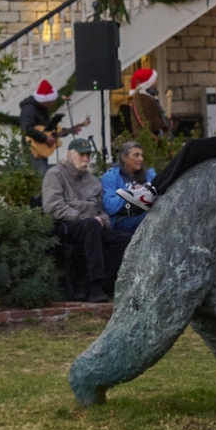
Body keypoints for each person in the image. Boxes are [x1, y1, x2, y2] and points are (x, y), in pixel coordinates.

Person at [42, 138, 130, 303]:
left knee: (125, 240)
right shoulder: (55, 174)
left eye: (88, 155)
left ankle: (86, 281)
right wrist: (84, 216)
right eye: (82, 155)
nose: (86, 159)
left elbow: (101, 211)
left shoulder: (93, 181)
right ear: (69, 155)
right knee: (91, 225)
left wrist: (103, 220)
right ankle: (96, 285)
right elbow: (53, 207)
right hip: (66, 226)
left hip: (92, 226)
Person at [19, 79, 78, 180]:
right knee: (40, 179)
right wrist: (44, 139)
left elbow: (47, 130)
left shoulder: (42, 109)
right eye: (52, 101)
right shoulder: (29, 109)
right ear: (45, 100)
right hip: (33, 149)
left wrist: (67, 131)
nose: (54, 103)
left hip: (40, 151)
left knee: (43, 178)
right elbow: (26, 128)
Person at [100, 140, 156, 237]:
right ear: (124, 157)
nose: (141, 159)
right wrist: (131, 193)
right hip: (122, 220)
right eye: (136, 155)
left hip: (147, 212)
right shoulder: (110, 177)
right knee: (152, 217)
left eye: (141, 155)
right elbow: (109, 207)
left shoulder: (149, 175)